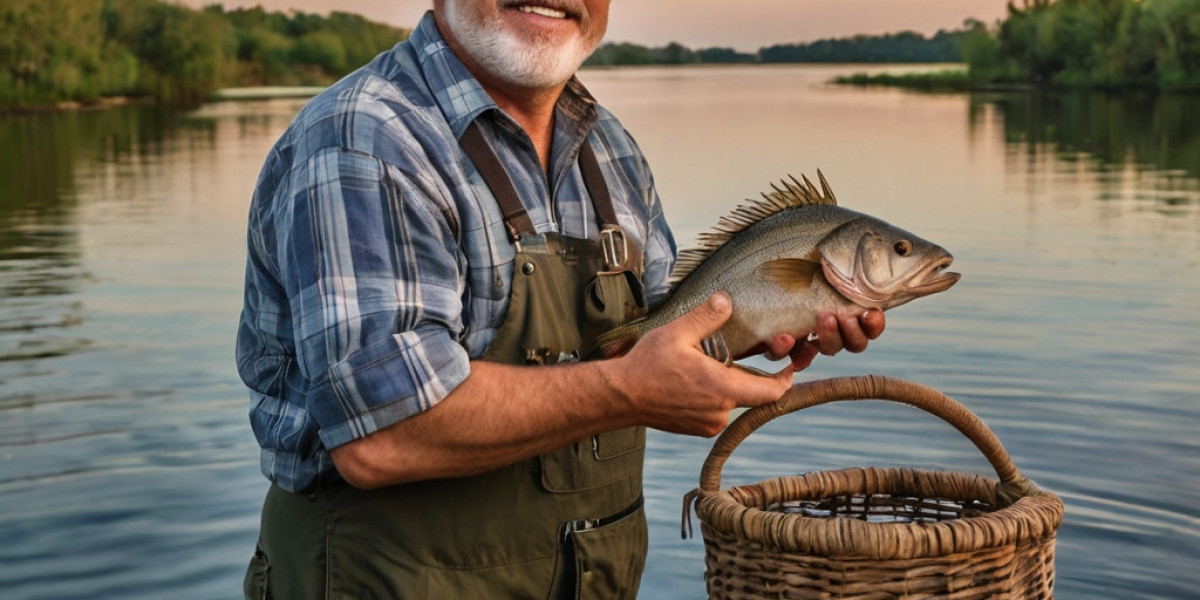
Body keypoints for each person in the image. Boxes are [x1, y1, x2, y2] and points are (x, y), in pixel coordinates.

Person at [236, 1, 885, 598]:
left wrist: (781, 314)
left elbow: (658, 341)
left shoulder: (611, 148)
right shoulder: (364, 138)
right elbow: (383, 436)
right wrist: (628, 390)